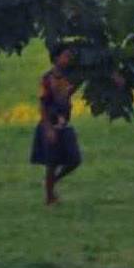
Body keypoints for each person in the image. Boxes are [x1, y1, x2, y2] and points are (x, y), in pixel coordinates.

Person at [31, 43, 82, 205]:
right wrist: (48, 129)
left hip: (64, 124)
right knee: (51, 163)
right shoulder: (47, 79)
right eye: (65, 56)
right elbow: (43, 105)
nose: (69, 59)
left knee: (75, 159)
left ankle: (52, 182)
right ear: (55, 59)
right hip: (50, 125)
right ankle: (49, 197)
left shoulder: (71, 77)